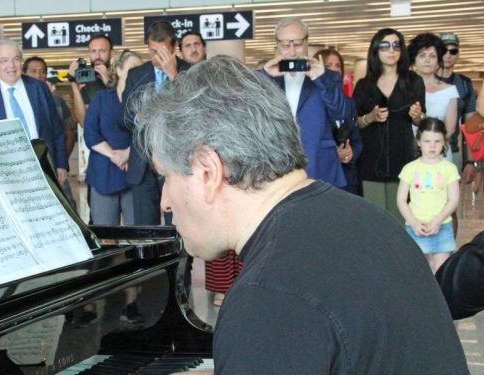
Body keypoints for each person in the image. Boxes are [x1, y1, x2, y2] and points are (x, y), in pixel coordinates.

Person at [134, 54, 467, 374]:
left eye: (166, 177)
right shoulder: (368, 218)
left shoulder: (268, 296)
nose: (164, 201)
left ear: (208, 172)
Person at [261, 17, 353, 188]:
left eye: (297, 44)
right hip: (277, 167)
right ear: (277, 45)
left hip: (319, 164)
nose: (292, 51)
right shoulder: (264, 76)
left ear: (307, 42)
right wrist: (265, 77)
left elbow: (342, 113)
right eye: (285, 45)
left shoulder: (328, 77)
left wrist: (320, 78)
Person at [0, 39, 68, 184]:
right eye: (4, 60)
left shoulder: (39, 88)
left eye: (16, 59)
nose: (11, 66)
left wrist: (61, 165)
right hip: (2, 174)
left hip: (43, 168)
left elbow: (56, 129)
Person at [354, 28, 425, 223]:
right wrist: (370, 117)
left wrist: (418, 116)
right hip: (370, 158)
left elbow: (421, 121)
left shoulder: (413, 81)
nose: (391, 50)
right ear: (376, 50)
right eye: (385, 46)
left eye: (396, 45)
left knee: (400, 218)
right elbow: (354, 122)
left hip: (401, 156)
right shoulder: (363, 85)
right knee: (373, 219)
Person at [122, 21, 190, 225]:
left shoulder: (190, 71)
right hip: (143, 165)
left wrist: (173, 75)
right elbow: (124, 118)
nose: (157, 58)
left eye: (163, 52)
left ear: (174, 47)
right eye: (153, 52)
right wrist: (141, 117)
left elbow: (194, 113)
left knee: (177, 227)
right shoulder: (137, 74)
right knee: (145, 231)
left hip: (176, 162)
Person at [83, 50, 141, 225]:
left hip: (134, 173)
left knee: (137, 234)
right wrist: (115, 155)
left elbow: (149, 133)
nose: (137, 74)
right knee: (106, 235)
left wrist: (128, 154)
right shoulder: (101, 98)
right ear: (119, 70)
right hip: (104, 172)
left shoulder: (144, 100)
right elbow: (90, 133)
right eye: (132, 68)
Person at [397, 118, 460, 274]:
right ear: (419, 142)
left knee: (442, 273)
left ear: (444, 142)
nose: (432, 146)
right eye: (427, 141)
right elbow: (401, 200)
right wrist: (413, 222)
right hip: (415, 227)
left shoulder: (449, 169)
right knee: (418, 273)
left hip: (442, 226)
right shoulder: (410, 168)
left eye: (437, 141)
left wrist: (438, 220)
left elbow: (453, 199)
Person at [23, 56, 78, 209]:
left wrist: (60, 159)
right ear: (24, 74)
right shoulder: (20, 101)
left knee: (66, 207)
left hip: (53, 167)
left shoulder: (57, 102)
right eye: (33, 71)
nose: (39, 75)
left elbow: (68, 132)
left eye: (42, 72)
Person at [314, 48, 363, 195]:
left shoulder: (349, 102)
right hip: (321, 177)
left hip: (348, 178)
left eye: (338, 66)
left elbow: (357, 139)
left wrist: (350, 153)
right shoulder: (312, 103)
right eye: (328, 66)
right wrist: (334, 154)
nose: (334, 71)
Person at [409, 33, 457, 148]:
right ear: (414, 60)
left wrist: (431, 147)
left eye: (432, 56)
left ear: (438, 62)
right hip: (407, 150)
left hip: (439, 150)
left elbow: (450, 129)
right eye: (422, 55)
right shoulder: (403, 88)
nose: (427, 60)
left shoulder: (450, 90)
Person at [438, 32, 477, 172]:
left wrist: (471, 162)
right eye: (443, 50)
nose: (448, 55)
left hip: (453, 151)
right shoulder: (423, 82)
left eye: (453, 51)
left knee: (452, 194)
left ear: (458, 54)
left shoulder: (464, 84)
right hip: (422, 151)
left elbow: (471, 124)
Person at [68, 34, 113, 126]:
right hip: (96, 138)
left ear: (111, 53)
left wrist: (109, 83)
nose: (97, 56)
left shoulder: (121, 76)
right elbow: (83, 121)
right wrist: (73, 82)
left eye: (102, 51)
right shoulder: (85, 80)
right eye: (93, 51)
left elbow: (123, 114)